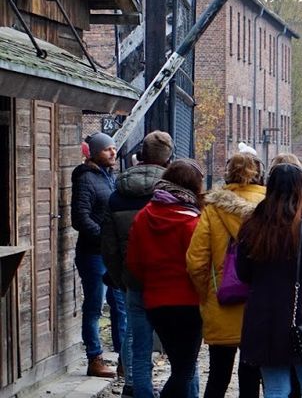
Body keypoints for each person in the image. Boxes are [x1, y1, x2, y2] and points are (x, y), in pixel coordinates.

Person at [237, 163, 302, 398]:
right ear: (300, 189)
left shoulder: (252, 224)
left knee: (276, 389)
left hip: (263, 316)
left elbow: (242, 273)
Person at [186, 152, 265, 398]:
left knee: (218, 376)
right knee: (251, 376)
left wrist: (207, 291)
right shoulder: (268, 207)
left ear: (227, 173)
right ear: (258, 174)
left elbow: (196, 260)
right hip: (259, 303)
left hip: (222, 299)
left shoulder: (213, 208)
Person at [102, 130, 174, 396]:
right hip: (167, 276)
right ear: (168, 159)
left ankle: (133, 383)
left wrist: (119, 275)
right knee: (174, 337)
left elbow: (107, 243)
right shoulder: (171, 194)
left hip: (132, 274)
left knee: (135, 332)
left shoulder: (118, 194)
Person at [126, 159, 206, 398]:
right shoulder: (192, 221)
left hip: (155, 301)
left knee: (180, 365)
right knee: (185, 369)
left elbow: (133, 263)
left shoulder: (143, 216)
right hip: (189, 302)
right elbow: (199, 265)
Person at [73, 132, 127, 378]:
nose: (113, 152)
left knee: (120, 306)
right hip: (93, 255)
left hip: (111, 255)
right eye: (107, 149)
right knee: (95, 306)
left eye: (114, 148)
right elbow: (80, 218)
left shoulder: (110, 177)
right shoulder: (85, 179)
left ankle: (124, 358)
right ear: (94, 152)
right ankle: (94, 358)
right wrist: (105, 239)